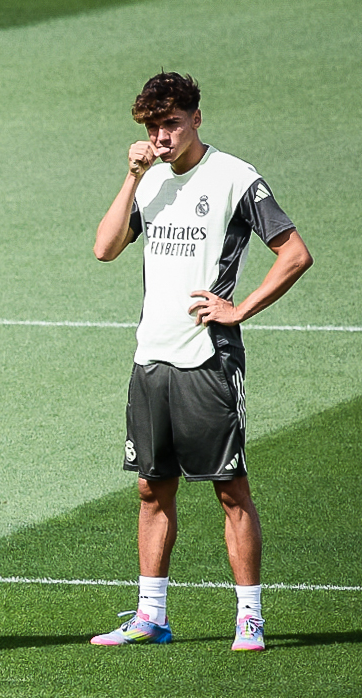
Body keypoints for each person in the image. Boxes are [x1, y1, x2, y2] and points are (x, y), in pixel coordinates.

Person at [91, 72, 312, 650]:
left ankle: (249, 618)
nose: (161, 136)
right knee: (150, 488)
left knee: (230, 488)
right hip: (151, 356)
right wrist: (133, 174)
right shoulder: (150, 181)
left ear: (195, 118)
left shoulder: (236, 177)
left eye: (170, 123)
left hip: (208, 359)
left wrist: (239, 310)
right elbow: (105, 248)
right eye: (151, 126)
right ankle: (151, 616)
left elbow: (295, 253)